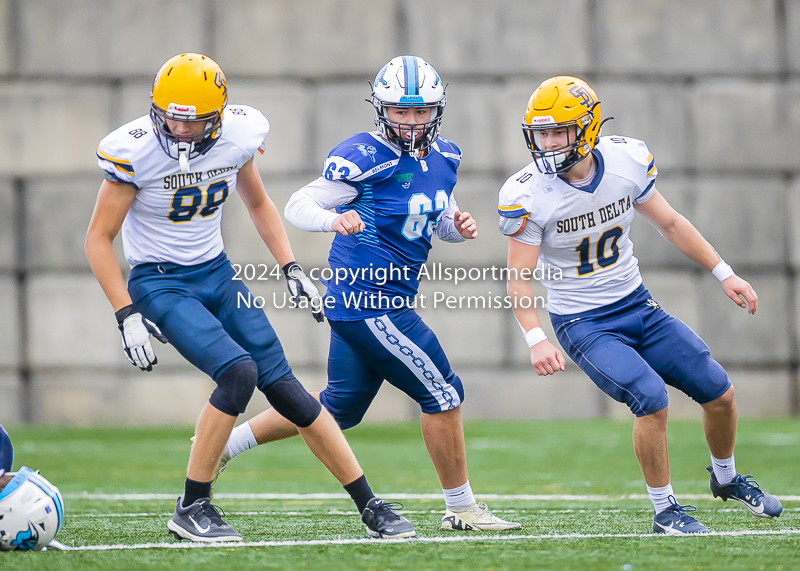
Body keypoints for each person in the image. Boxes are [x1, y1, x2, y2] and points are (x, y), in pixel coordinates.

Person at [85, 53, 414, 542]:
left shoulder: (238, 136)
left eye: (193, 121)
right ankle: (192, 505)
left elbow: (256, 200)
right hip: (159, 280)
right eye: (172, 117)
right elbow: (97, 238)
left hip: (217, 275)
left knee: (285, 386)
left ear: (218, 117)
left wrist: (290, 266)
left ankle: (369, 503)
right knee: (238, 371)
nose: (179, 130)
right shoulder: (134, 152)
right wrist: (125, 313)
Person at [216, 55, 520, 532]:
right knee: (443, 393)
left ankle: (220, 446)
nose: (412, 121)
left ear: (437, 110)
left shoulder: (445, 157)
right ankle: (461, 508)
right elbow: (300, 202)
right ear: (381, 109)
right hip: (371, 299)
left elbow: (436, 218)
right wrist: (333, 220)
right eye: (401, 111)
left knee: (338, 408)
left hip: (376, 300)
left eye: (421, 111)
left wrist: (458, 228)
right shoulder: (365, 155)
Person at [500, 76, 782, 534]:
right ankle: (665, 510)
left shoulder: (626, 160)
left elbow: (669, 223)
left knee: (721, 393)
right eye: (542, 132)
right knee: (651, 399)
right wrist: (535, 337)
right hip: (583, 321)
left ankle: (726, 480)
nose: (548, 143)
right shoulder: (527, 193)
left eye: (559, 131)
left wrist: (724, 272)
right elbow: (519, 276)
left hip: (638, 305)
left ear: (587, 128)